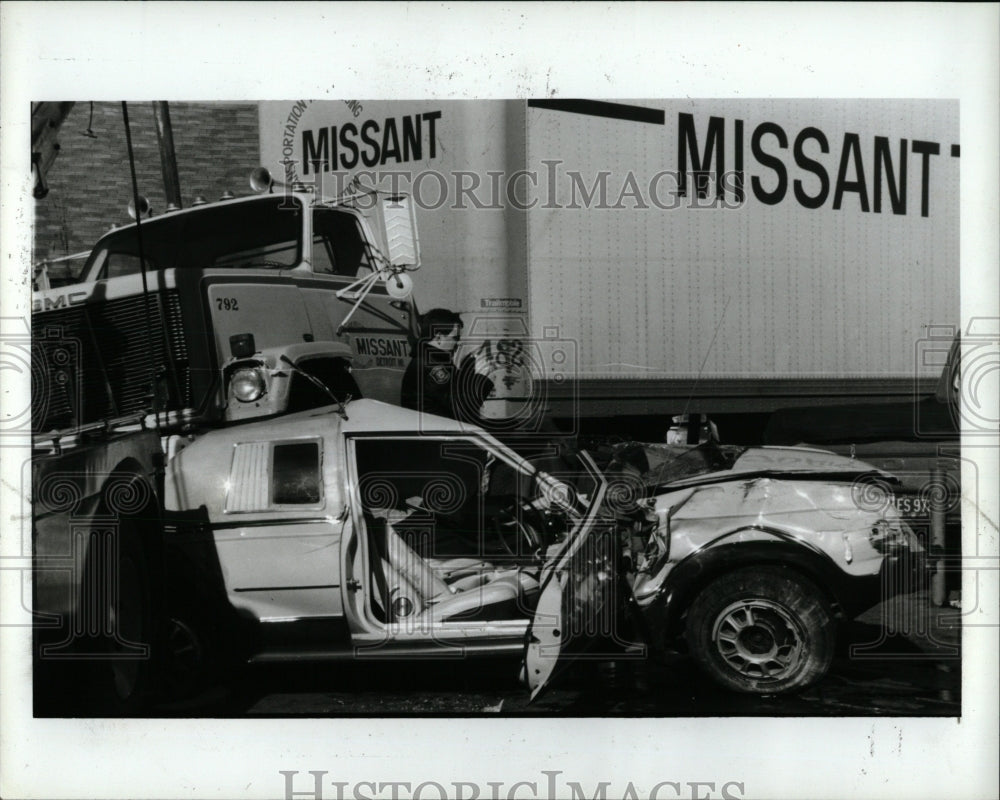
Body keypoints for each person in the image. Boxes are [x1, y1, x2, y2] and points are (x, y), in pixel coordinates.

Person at [400, 308, 495, 424]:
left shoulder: (430, 360)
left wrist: (468, 366)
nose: (458, 342)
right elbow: (460, 410)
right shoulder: (433, 366)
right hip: (436, 434)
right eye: (455, 338)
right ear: (438, 337)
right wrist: (483, 379)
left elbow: (455, 394)